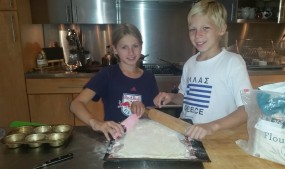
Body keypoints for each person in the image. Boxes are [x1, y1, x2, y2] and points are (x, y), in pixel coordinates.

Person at [153, 0, 252, 140]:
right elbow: (184, 97)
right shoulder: (189, 63)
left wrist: (211, 126)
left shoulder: (233, 63)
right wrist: (172, 97)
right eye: (192, 29)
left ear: (221, 29)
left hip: (216, 139)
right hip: (187, 133)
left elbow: (246, 110)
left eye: (205, 28)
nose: (197, 35)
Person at [70, 24, 159, 140]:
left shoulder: (149, 77)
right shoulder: (107, 74)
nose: (131, 52)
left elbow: (153, 114)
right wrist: (96, 123)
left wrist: (144, 109)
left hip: (143, 140)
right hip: (115, 140)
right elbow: (75, 104)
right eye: (124, 47)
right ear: (115, 49)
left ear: (141, 46)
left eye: (135, 46)